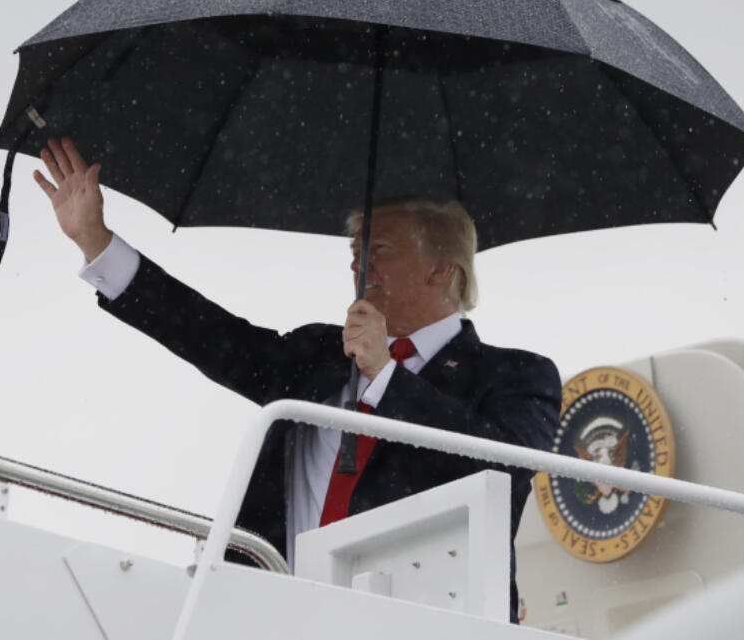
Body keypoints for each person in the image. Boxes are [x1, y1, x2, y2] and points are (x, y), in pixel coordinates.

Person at [33, 136, 561, 623]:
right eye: (355, 250)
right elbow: (213, 337)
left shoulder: (516, 374)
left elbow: (505, 466)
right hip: (272, 613)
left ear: (441, 270)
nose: (358, 262)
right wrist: (97, 243)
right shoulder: (319, 354)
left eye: (378, 248)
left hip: (419, 619)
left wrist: (386, 376)